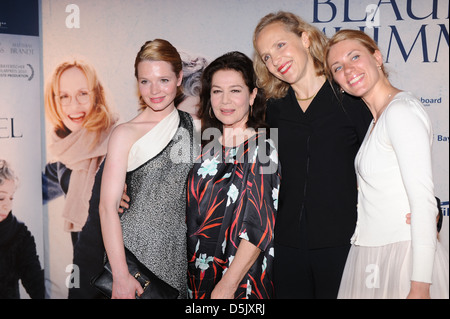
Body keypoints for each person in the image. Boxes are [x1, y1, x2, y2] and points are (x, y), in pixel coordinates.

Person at [252, 11, 372, 298]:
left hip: (342, 243)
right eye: (266, 56)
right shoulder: (275, 108)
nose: (275, 60)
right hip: (285, 246)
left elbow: (385, 159)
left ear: (305, 38)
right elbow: (253, 163)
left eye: (280, 45)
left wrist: (425, 206)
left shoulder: (349, 97)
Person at [324, 29, 449, 299]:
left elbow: (424, 203)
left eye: (355, 56)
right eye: (338, 67)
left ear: (377, 57)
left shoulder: (401, 111)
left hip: (402, 256)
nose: (348, 69)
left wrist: (420, 287)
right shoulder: (375, 120)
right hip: (372, 254)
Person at [99, 39, 196, 299]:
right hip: (134, 252)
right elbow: (107, 207)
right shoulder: (124, 133)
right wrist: (120, 275)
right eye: (145, 81)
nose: (154, 90)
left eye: (163, 80)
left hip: (179, 253)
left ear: (179, 78)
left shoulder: (197, 127)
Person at [186, 51, 281, 299]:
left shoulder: (262, 148)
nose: (225, 101)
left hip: (239, 282)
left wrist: (227, 285)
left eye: (235, 91)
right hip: (199, 275)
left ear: (252, 96)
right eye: (217, 91)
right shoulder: (206, 147)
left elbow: (258, 228)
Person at [42, 58, 117, 246]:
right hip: (83, 266)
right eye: (64, 96)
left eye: (83, 93)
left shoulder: (120, 143)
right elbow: (30, 194)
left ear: (96, 95)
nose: (74, 106)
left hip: (120, 267)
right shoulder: (64, 157)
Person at [0, 159, 45, 299]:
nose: (8, 205)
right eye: (1, 198)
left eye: (11, 198)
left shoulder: (20, 236)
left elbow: (37, 284)